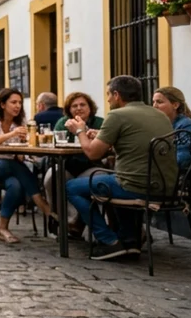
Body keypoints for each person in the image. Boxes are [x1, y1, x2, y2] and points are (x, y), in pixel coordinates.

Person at [67, 76, 175, 260]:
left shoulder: (117, 115)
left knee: (72, 187)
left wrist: (80, 131)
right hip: (166, 186)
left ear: (117, 95)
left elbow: (93, 153)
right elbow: (135, 142)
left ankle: (109, 241)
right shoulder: (160, 115)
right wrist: (103, 135)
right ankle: (129, 241)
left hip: (135, 186)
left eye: (109, 94)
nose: (108, 99)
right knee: (116, 178)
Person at [0, 88, 54, 244]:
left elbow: (19, 156)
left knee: (16, 185)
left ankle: (2, 228)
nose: (17, 106)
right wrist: (11, 135)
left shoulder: (21, 123)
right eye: (13, 102)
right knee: (12, 165)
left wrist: (24, 143)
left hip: (10, 167)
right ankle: (41, 202)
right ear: (3, 104)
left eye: (19, 102)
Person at [45, 91, 107, 234]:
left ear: (90, 108)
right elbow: (57, 144)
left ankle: (77, 222)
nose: (79, 108)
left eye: (82, 105)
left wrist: (83, 132)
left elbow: (101, 149)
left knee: (85, 182)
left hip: (92, 165)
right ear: (69, 110)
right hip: (67, 164)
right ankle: (62, 218)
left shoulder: (100, 123)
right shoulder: (63, 123)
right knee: (52, 177)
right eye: (74, 106)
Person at [152, 86, 191, 171]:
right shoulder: (156, 124)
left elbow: (182, 158)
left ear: (175, 105)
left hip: (169, 175)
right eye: (153, 102)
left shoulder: (187, 125)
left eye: (159, 102)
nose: (155, 106)